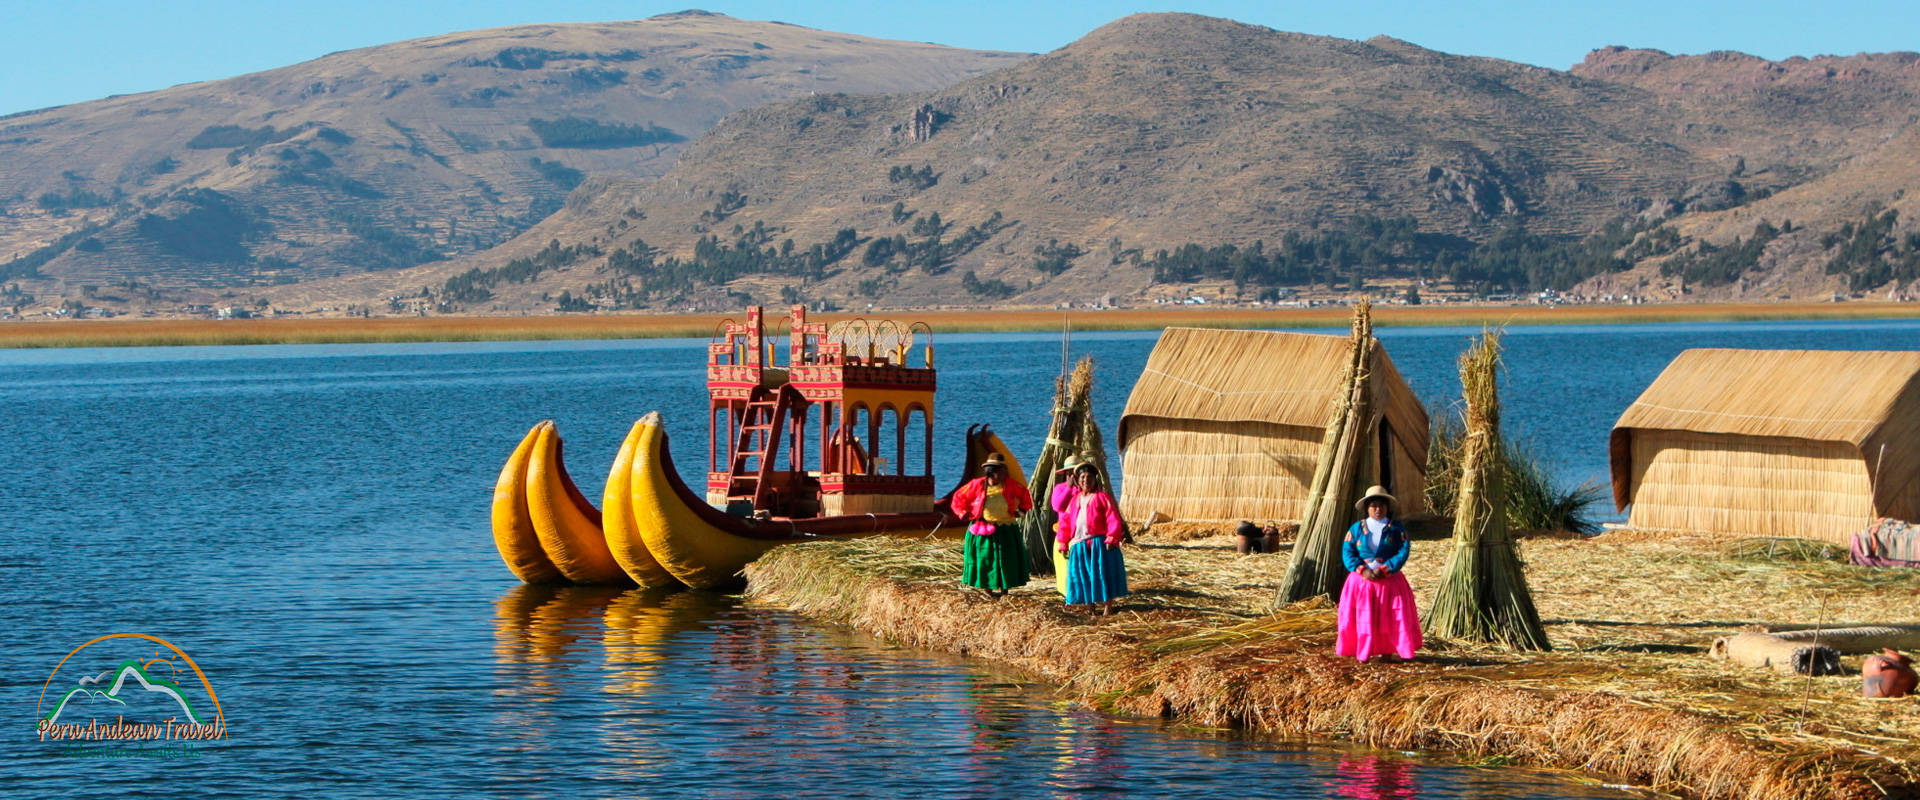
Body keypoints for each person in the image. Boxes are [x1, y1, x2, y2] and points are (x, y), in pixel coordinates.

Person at [1335, 485, 1422, 662]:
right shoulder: (1356, 529)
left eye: (1381, 505)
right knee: (1364, 617)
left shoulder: (1396, 529)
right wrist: (1363, 570)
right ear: (1367, 508)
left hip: (1389, 581)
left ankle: (1388, 652)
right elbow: (1348, 551)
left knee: (1389, 617)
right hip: (1361, 582)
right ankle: (1363, 652)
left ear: (1387, 507)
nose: (1378, 509)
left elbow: (1403, 551)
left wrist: (1386, 568)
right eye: (1373, 505)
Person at [949, 453, 1032, 598]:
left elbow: (1025, 495)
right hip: (983, 529)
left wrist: (1021, 510)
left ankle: (1005, 590)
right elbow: (958, 498)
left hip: (1006, 528)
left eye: (1004, 470)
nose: (1004, 473)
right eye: (1001, 471)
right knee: (985, 560)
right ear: (992, 472)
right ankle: (988, 590)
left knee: (1006, 559)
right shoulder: (977, 485)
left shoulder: (1010, 484)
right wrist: (963, 513)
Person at [1053, 463, 1127, 615]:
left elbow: (1113, 517)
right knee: (1083, 575)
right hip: (1079, 544)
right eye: (1082, 477)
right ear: (1077, 480)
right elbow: (1065, 522)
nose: (1086, 480)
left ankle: (1107, 606)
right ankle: (1090, 607)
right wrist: (1063, 542)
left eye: (1089, 477)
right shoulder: (1074, 500)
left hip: (1098, 543)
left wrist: (1112, 537)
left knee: (1102, 574)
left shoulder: (1102, 497)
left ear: (1095, 479)